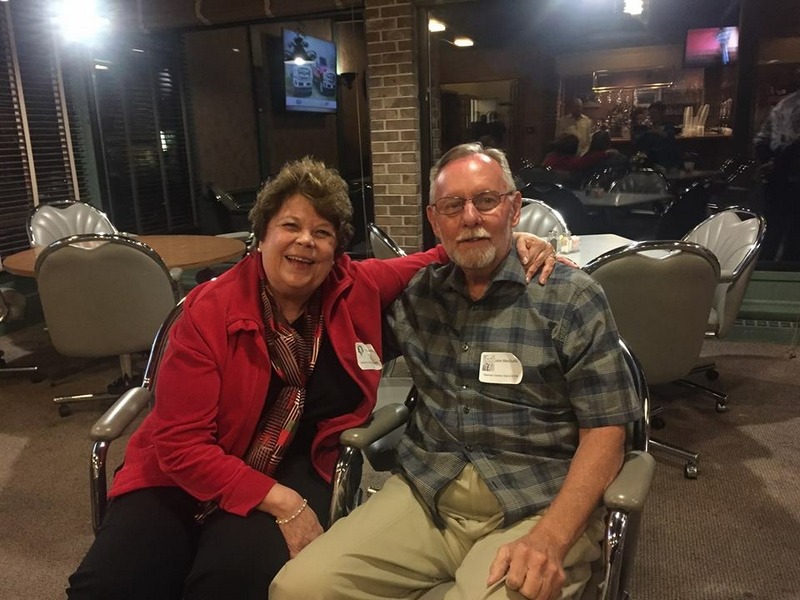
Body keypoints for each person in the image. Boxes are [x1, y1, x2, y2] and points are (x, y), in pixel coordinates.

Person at [65, 157, 557, 600]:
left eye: (322, 232)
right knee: (110, 586)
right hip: (180, 471)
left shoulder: (355, 286)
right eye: (290, 226)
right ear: (262, 235)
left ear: (337, 250)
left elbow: (439, 255)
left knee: (235, 579)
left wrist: (512, 241)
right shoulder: (210, 310)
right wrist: (282, 503)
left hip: (298, 463)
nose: (306, 241)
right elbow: (179, 445)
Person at [270, 144, 642, 600]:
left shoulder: (570, 298)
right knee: (298, 588)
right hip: (428, 495)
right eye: (452, 205)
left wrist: (551, 537)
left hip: (536, 503)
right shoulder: (418, 297)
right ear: (435, 219)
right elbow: (343, 315)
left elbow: (607, 433)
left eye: (486, 200)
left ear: (514, 208)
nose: (470, 217)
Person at [753, 70, 800, 262]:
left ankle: (765, 267)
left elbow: (761, 140)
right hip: (788, 177)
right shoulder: (787, 105)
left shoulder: (784, 104)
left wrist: (769, 162)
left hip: (778, 177)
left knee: (773, 230)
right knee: (791, 233)